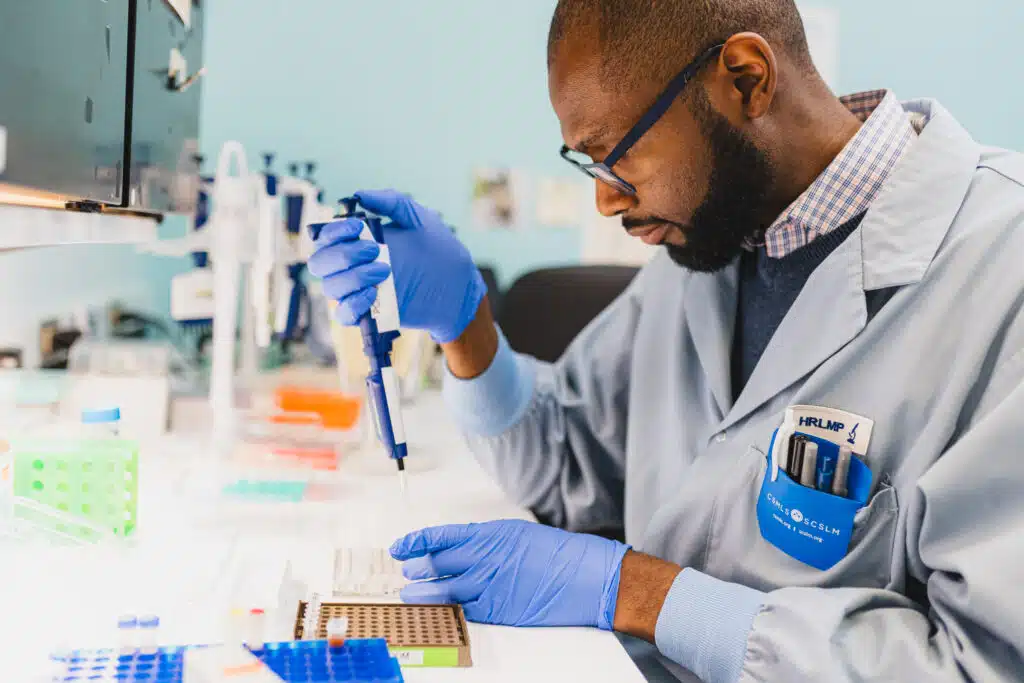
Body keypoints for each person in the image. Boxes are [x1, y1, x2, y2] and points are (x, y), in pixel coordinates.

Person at [307, 0, 1024, 681]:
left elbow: (981, 663)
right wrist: (466, 323)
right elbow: (566, 459)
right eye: (587, 164)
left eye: (616, 155)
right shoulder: (712, 244)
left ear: (746, 78)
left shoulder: (1000, 272)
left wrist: (637, 592)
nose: (606, 198)